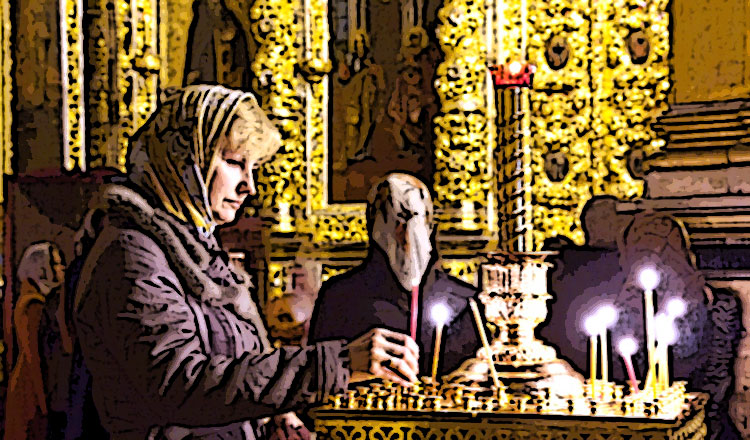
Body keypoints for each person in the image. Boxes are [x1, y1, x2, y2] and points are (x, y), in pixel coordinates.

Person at [72, 85, 419, 439]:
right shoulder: (131, 253)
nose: (249, 186)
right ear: (185, 160)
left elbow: (232, 370)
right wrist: (337, 364)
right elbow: (180, 383)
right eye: (235, 163)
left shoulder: (194, 247)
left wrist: (273, 416)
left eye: (252, 167)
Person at [309, 173, 479, 377]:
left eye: (414, 218)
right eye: (393, 220)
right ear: (373, 226)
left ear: (430, 224)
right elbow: (318, 377)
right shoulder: (338, 298)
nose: (405, 234)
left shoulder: (466, 304)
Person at [5, 242, 68, 440]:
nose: (62, 268)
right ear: (41, 268)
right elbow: (34, 355)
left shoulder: (30, 298)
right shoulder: (33, 303)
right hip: (31, 388)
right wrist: (43, 402)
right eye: (55, 264)